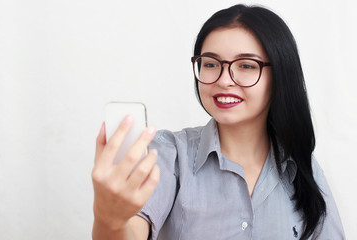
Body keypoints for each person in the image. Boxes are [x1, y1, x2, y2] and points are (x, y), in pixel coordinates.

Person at [91, 4, 345, 240]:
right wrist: (110, 220)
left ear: (280, 75)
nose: (224, 80)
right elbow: (131, 231)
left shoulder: (304, 168)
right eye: (211, 64)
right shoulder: (169, 155)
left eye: (246, 65)